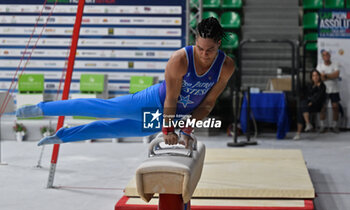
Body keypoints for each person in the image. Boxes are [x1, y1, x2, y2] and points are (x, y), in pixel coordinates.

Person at [16, 17, 235, 147]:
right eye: (200, 48)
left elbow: (207, 103)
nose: (204, 54)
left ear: (219, 43)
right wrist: (168, 129)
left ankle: (63, 137)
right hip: (156, 102)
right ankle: (39, 108)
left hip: (177, 114)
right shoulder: (180, 60)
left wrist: (187, 129)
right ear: (195, 41)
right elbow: (171, 96)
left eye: (210, 50)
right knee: (100, 109)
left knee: (111, 130)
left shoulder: (226, 66)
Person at [293, 69, 326, 140]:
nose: (315, 77)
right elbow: (306, 95)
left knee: (302, 106)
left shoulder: (322, 86)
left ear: (319, 76)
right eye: (313, 76)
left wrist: (311, 102)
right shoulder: (310, 85)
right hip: (307, 105)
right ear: (311, 77)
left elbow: (319, 97)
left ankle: (303, 128)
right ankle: (304, 127)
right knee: (300, 108)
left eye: (317, 75)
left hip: (317, 105)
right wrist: (308, 102)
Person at [316, 49, 341, 133]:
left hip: (334, 90)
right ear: (322, 57)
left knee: (335, 107)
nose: (326, 56)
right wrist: (331, 76)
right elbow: (319, 78)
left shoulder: (335, 64)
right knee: (322, 108)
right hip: (324, 91)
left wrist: (325, 75)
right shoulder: (319, 66)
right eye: (324, 55)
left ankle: (334, 126)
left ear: (330, 56)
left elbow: (336, 75)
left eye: (327, 55)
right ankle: (323, 126)